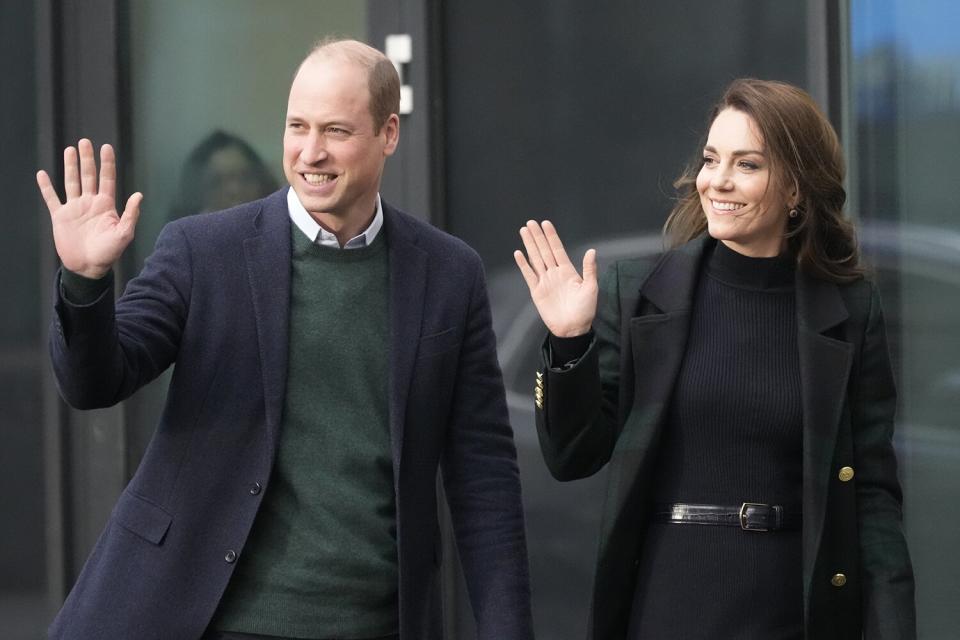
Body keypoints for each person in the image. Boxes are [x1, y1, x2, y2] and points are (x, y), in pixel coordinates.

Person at [37, 39, 532, 640]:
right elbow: (96, 381)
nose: (310, 152)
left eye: (336, 131)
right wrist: (86, 284)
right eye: (296, 126)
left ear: (389, 133)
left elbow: (484, 474)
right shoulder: (203, 251)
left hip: (373, 621)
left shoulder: (449, 273)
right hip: (207, 617)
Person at [514, 78, 915, 639]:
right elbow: (572, 456)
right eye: (710, 159)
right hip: (667, 607)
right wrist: (570, 341)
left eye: (746, 165)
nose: (717, 181)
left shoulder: (848, 309)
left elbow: (872, 496)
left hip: (794, 612)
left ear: (796, 189)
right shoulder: (638, 292)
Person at [170, 130, 279, 219]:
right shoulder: (185, 242)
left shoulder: (281, 232)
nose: (234, 190)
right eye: (217, 182)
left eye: (245, 178)